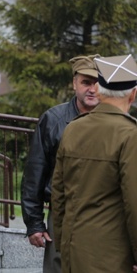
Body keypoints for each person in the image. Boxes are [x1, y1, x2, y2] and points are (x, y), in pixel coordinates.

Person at [52, 54, 137, 272]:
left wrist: (62, 242)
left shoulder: (73, 128)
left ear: (99, 90)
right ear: (133, 94)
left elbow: (59, 192)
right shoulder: (130, 135)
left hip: (73, 251)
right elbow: (134, 203)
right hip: (112, 257)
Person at [21, 55, 99, 272]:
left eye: (98, 83)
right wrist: (34, 223)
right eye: (86, 82)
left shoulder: (114, 122)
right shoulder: (53, 119)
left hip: (104, 214)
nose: (92, 89)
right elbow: (34, 172)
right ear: (74, 83)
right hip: (63, 213)